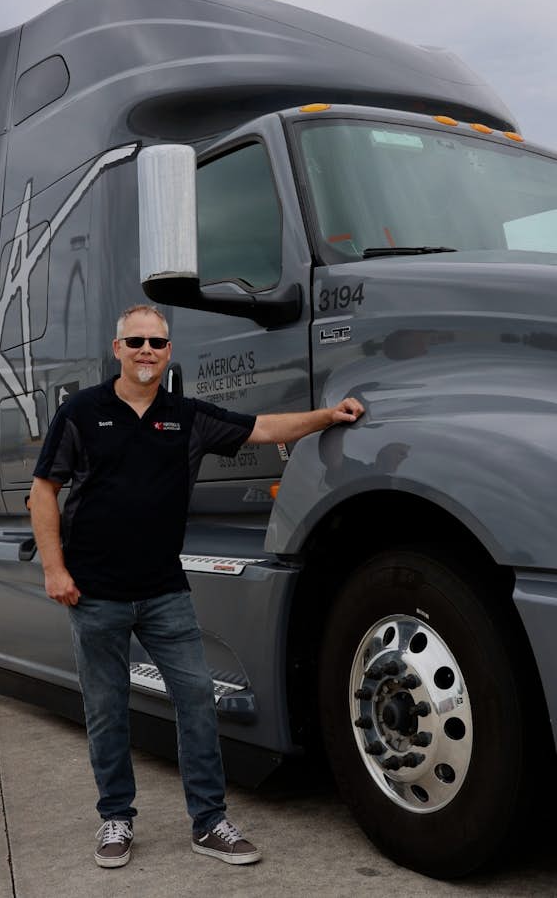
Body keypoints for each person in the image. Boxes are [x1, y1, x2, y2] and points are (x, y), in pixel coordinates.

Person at [29, 304, 364, 869]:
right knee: (108, 710)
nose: (145, 351)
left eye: (156, 343)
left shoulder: (185, 416)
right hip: (95, 595)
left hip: (165, 593)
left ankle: (209, 823)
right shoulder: (83, 412)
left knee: (197, 702)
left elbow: (262, 430)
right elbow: (44, 491)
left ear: (168, 352)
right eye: (135, 341)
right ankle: (116, 819)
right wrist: (54, 569)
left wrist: (328, 416)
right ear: (117, 349)